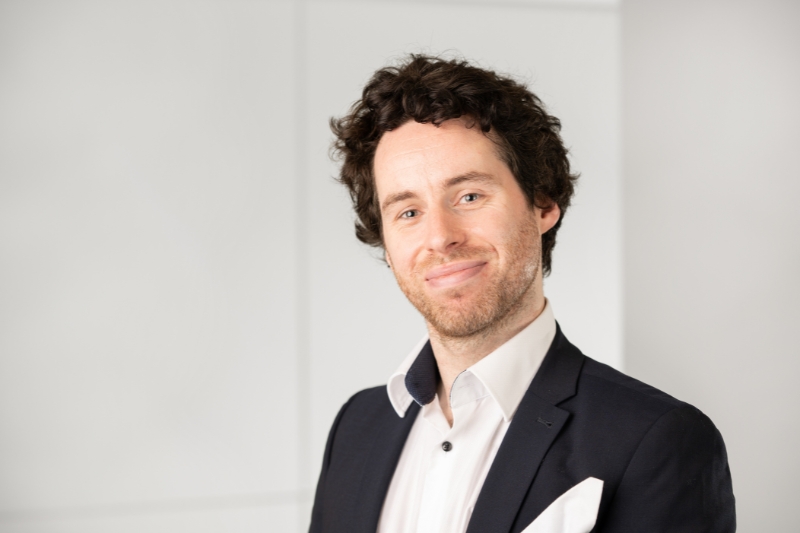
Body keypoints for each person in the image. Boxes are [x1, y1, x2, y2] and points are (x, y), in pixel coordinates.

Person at [308, 55, 735, 533]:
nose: (439, 237)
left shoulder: (656, 440)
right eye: (407, 212)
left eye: (469, 196)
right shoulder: (356, 427)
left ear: (543, 203)